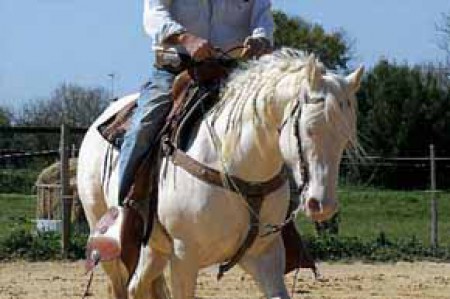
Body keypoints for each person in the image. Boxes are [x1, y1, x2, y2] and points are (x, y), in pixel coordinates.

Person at [118, 0, 275, 233]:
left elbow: (262, 15)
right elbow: (155, 13)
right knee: (143, 125)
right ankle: (121, 215)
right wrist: (184, 38)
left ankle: (283, 218)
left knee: (275, 123)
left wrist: (260, 38)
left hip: (234, 71)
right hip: (176, 69)